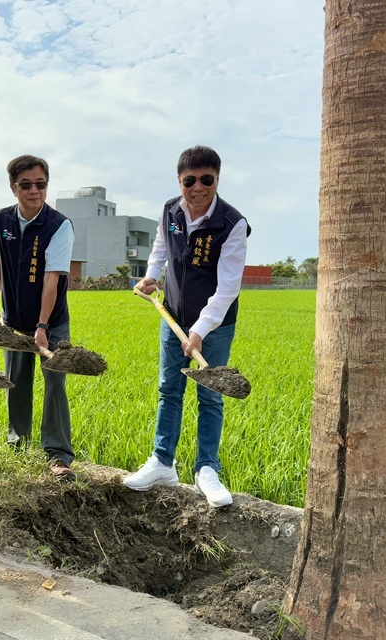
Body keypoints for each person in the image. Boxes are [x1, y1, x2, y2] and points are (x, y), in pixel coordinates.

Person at [123, 145, 249, 508]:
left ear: (217, 179)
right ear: (180, 181)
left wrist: (201, 329)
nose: (198, 188)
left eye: (206, 180)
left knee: (210, 395)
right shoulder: (170, 211)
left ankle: (207, 469)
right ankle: (163, 462)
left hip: (215, 324)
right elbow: (160, 249)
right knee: (169, 389)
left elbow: (228, 288)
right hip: (173, 316)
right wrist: (150, 278)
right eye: (189, 181)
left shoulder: (231, 224)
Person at [0, 155, 77, 479]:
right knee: (16, 382)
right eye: (26, 185)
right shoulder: (2, 220)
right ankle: (17, 443)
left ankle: (58, 455)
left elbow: (52, 277)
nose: (34, 191)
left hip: (53, 322)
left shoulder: (59, 225)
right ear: (13, 187)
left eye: (41, 184)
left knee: (54, 384)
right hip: (14, 318)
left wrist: (43, 326)